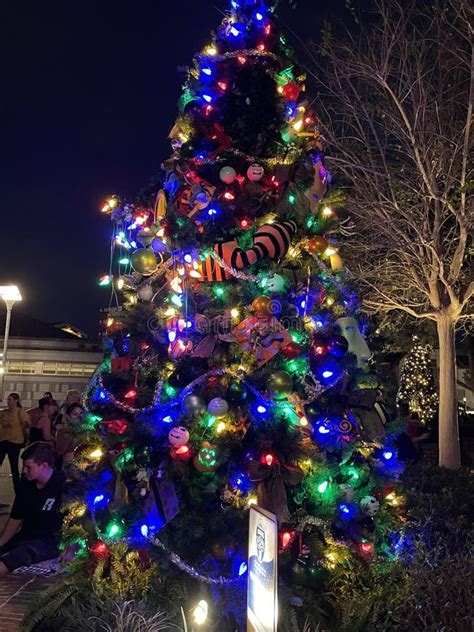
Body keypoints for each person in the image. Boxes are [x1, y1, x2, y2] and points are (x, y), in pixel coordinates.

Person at [0, 442, 64, 575]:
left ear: (44, 466)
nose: (24, 471)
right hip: (26, 536)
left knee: (15, 557)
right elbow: (15, 518)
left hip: (48, 540)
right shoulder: (27, 484)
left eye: (28, 467)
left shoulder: (61, 485)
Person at [0, 393, 30, 494]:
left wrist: (23, 426)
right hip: (3, 441)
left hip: (14, 442)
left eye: (10, 400)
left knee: (14, 467)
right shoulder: (4, 413)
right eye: (8, 400)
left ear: (16, 401)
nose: (8, 402)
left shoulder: (20, 412)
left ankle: (18, 491)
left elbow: (28, 423)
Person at [55, 403, 83, 468]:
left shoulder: (87, 431)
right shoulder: (62, 431)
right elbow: (61, 451)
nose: (79, 417)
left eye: (81, 414)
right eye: (75, 414)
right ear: (68, 416)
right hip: (68, 466)